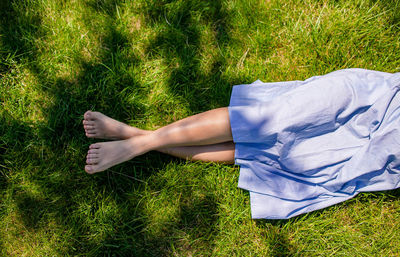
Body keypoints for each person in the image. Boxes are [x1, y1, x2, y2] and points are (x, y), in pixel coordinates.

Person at [83, 68, 400, 219]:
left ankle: (134, 137)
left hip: (381, 151)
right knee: (270, 120)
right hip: (377, 97)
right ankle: (139, 143)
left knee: (267, 157)